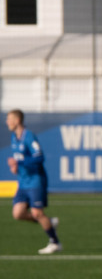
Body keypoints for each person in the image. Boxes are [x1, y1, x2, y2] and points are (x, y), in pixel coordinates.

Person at [7, 109, 62, 254]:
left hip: (35, 181)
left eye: (9, 119)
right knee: (17, 214)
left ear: (17, 120)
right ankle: (49, 222)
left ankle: (55, 242)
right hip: (23, 182)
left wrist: (20, 161)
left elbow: (39, 158)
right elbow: (21, 161)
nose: (7, 122)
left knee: (37, 213)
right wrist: (16, 167)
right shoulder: (14, 137)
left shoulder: (29, 136)